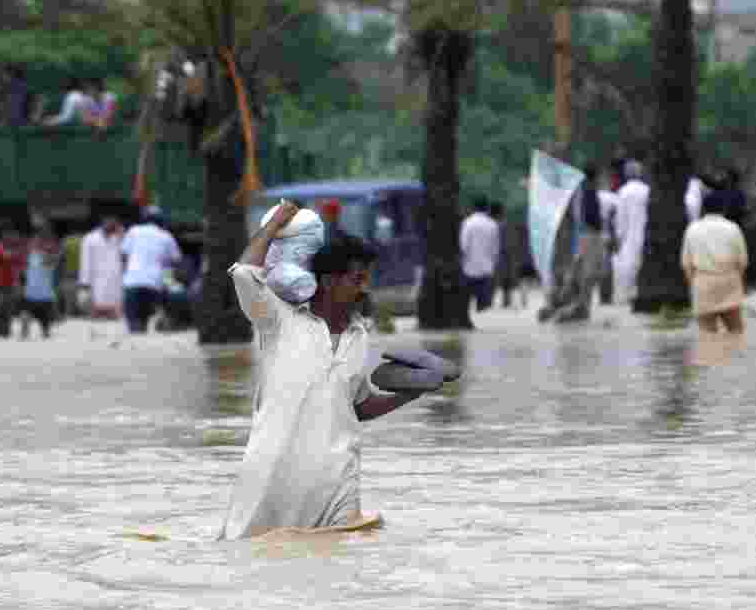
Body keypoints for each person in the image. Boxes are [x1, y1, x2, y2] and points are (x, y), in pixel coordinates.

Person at [220, 202, 433, 540]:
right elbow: (245, 273)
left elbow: (357, 406)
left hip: (337, 482)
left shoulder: (359, 335)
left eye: (367, 279)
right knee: (255, 560)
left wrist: (412, 392)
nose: (365, 287)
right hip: (273, 477)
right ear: (330, 281)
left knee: (341, 567)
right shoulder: (278, 320)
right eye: (358, 278)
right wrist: (276, 221)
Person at [681, 190, 748, 334]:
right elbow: (742, 263)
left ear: (703, 209)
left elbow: (687, 265)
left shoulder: (692, 229)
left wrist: (694, 286)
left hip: (703, 283)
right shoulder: (733, 228)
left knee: (707, 337)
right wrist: (737, 283)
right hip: (729, 282)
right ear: (724, 208)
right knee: (736, 332)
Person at [552, 164, 605, 323]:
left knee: (580, 269)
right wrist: (598, 230)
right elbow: (591, 216)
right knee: (589, 272)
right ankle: (580, 305)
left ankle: (567, 300)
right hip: (589, 234)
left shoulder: (580, 191)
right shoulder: (589, 191)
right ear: (596, 176)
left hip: (581, 235)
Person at [120, 206, 183, 334]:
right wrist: (168, 276)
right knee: (145, 317)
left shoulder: (133, 231)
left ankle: (136, 331)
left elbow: (123, 255)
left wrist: (127, 271)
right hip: (154, 284)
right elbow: (176, 260)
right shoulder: (166, 236)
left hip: (132, 282)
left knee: (133, 322)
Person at [612, 159, 650, 305]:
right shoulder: (647, 190)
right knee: (641, 263)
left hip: (629, 234)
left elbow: (620, 217)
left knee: (628, 265)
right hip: (645, 232)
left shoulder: (623, 192)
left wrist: (619, 235)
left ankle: (628, 295)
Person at [78, 217, 124, 335]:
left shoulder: (118, 238)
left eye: (113, 225)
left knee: (114, 306)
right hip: (96, 276)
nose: (111, 227)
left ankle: (110, 314)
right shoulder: (90, 238)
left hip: (115, 277)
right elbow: (85, 261)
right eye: (108, 225)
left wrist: (122, 236)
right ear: (102, 225)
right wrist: (84, 282)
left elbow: (125, 254)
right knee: (96, 305)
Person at [459, 197, 500, 313]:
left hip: (469, 267)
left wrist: (461, 260)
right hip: (486, 268)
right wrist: (493, 263)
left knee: (466, 299)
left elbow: (463, 245)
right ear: (486, 208)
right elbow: (495, 248)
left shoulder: (468, 223)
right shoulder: (492, 224)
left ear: (473, 208)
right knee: (483, 305)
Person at [20, 225, 60, 339]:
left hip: (45, 295)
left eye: (38, 241)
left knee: (45, 327)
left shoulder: (49, 255)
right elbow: (23, 271)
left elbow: (51, 262)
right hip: (31, 293)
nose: (35, 243)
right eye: (34, 241)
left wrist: (46, 252)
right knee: (25, 316)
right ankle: (24, 333)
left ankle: (44, 331)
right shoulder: (29, 255)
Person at [0, 227, 23, 337]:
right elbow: (3, 257)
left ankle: (5, 330)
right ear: (2, 236)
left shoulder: (11, 249)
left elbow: (16, 261)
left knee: (8, 308)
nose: (10, 238)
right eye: (8, 235)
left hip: (9, 283)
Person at [597, 177, 618, 305]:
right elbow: (617, 217)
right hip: (609, 234)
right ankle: (607, 296)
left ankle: (603, 295)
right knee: (608, 266)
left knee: (601, 266)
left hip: (597, 235)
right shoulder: (614, 198)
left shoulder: (597, 196)